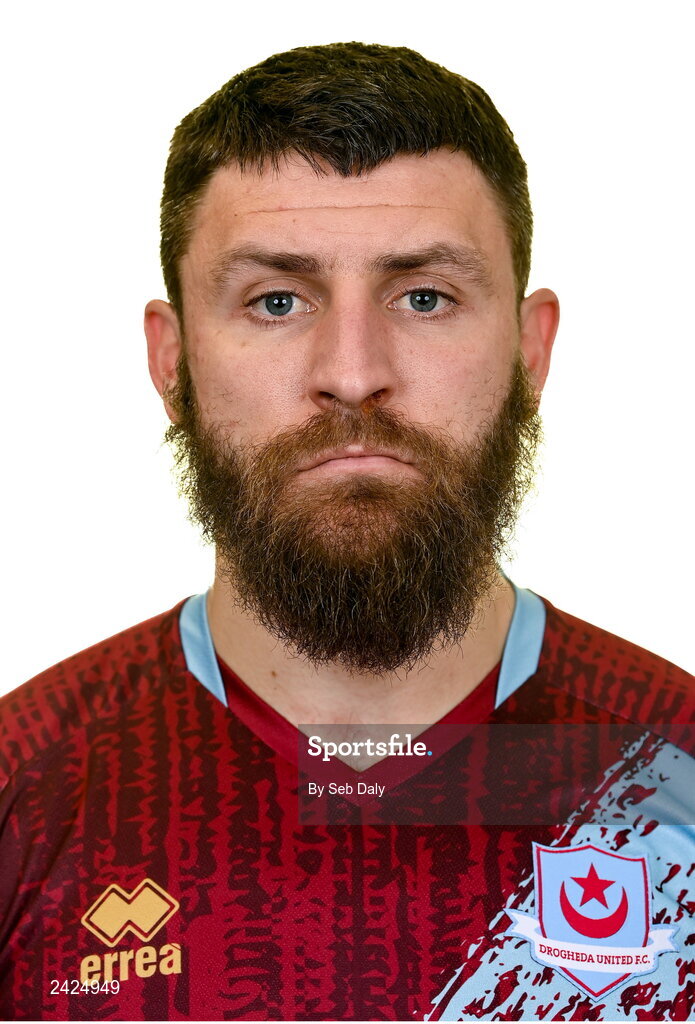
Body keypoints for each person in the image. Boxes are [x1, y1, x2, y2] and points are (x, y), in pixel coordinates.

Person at [0, 40, 692, 1022]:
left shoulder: (675, 771)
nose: (354, 373)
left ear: (529, 352)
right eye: (276, 301)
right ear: (172, 362)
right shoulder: (24, 783)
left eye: (424, 297)